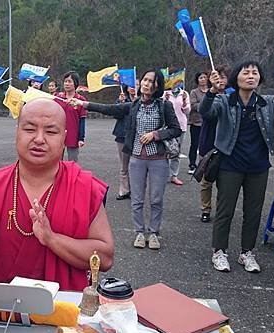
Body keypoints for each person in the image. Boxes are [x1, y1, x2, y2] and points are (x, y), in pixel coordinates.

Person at [0, 98, 114, 291]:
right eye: (30, 129)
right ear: (17, 132)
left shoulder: (83, 186)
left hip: (66, 310)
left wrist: (52, 239)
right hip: (4, 309)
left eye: (50, 131)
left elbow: (104, 258)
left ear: (64, 137)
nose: (39, 139)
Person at [200, 61, 274, 273]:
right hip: (230, 165)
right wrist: (211, 91)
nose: (251, 76)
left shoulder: (267, 102)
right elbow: (206, 112)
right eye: (246, 72)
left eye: (255, 73)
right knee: (225, 211)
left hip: (258, 167)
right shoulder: (225, 101)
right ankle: (219, 252)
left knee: (253, 212)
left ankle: (247, 253)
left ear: (260, 79)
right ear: (237, 78)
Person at [71, 69, 181, 250]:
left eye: (151, 81)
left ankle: (153, 233)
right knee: (137, 199)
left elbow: (175, 129)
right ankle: (139, 232)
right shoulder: (134, 105)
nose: (146, 83)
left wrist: (156, 134)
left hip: (158, 159)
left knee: (156, 199)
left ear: (157, 85)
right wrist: (83, 104)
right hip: (136, 158)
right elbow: (110, 109)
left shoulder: (164, 106)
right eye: (144, 80)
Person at [198, 65, 230, 223]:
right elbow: (204, 112)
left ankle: (222, 210)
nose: (220, 80)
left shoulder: (234, 97)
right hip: (208, 143)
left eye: (223, 77)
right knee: (206, 181)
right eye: (217, 77)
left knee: (224, 182)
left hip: (226, 146)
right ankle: (205, 209)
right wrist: (212, 92)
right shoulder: (208, 96)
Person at [54, 71, 87, 162]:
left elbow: (82, 120)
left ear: (75, 83)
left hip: (73, 136)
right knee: (56, 162)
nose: (67, 84)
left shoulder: (80, 100)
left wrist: (81, 138)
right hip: (58, 135)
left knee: (72, 163)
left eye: (69, 81)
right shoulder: (58, 98)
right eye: (65, 81)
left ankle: (71, 177)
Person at [112, 85, 137, 200]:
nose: (133, 88)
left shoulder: (143, 101)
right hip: (122, 135)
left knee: (136, 165)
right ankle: (124, 190)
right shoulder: (122, 100)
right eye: (131, 86)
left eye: (136, 85)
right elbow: (116, 115)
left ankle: (136, 190)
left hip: (138, 137)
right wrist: (120, 103)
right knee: (124, 165)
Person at [163, 85, 190, 185]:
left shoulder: (184, 93)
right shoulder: (165, 93)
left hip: (180, 126)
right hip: (167, 126)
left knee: (176, 151)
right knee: (164, 151)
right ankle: (163, 175)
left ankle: (174, 175)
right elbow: (160, 108)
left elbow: (187, 111)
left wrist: (184, 102)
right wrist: (164, 100)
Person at [188, 71, 209, 174]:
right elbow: (193, 105)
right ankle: (192, 164)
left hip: (208, 122)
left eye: (205, 77)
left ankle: (205, 164)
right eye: (201, 77)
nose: (203, 79)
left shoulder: (211, 91)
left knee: (206, 144)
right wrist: (206, 104)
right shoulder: (194, 92)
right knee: (194, 144)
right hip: (196, 122)